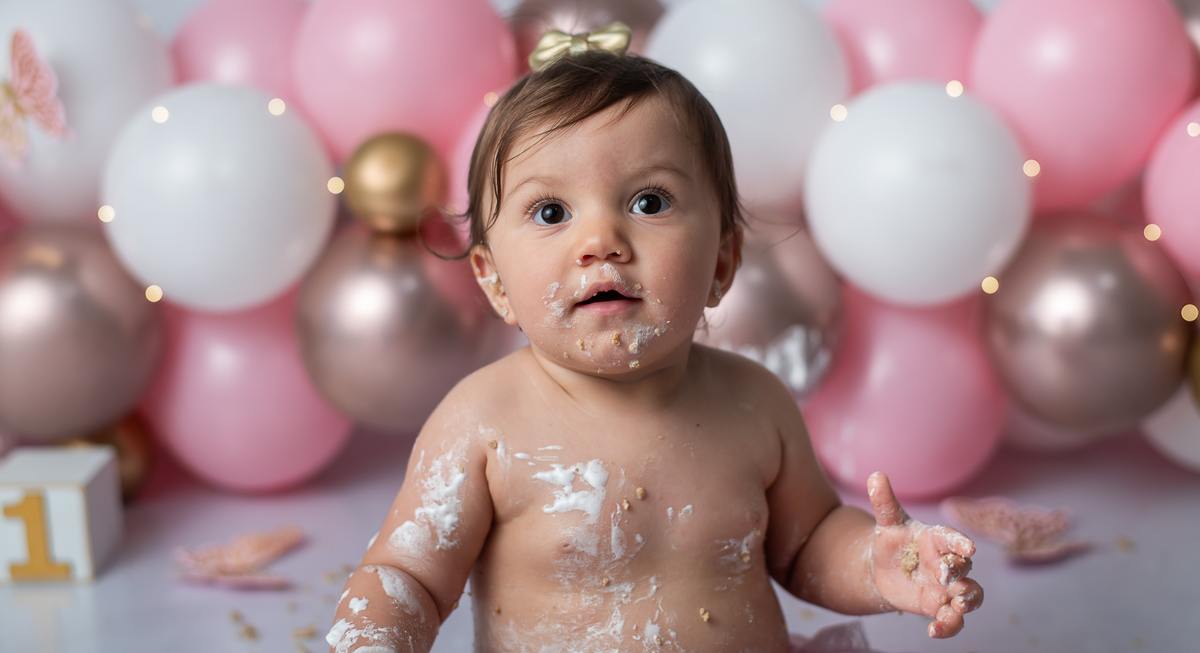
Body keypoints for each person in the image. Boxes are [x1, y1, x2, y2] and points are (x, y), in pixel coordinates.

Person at [325, 34, 983, 653]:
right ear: (493, 280)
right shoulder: (483, 421)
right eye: (552, 211)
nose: (602, 239)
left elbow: (807, 542)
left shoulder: (754, 404)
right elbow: (409, 573)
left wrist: (882, 561)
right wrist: (375, 632)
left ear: (723, 261)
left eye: (648, 201)